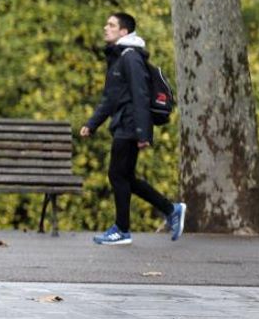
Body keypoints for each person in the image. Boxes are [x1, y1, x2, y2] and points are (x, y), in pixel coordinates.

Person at [80, 12, 186, 245]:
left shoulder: (130, 57)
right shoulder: (119, 58)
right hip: (125, 123)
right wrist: (92, 124)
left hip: (130, 125)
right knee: (126, 176)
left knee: (117, 174)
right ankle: (171, 209)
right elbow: (110, 99)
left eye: (111, 25)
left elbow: (141, 94)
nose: (105, 28)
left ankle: (122, 229)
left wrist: (142, 133)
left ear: (124, 32)